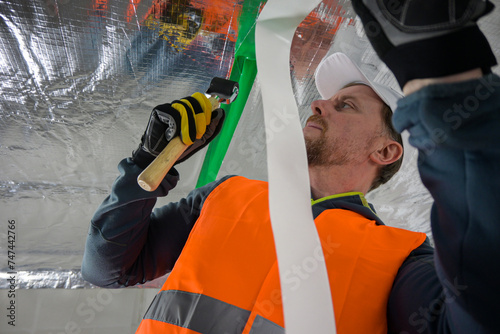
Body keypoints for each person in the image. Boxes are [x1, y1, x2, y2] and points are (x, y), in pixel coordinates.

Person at [82, 0, 500, 333]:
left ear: (386, 152)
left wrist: (446, 90)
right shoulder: (226, 196)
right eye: (327, 99)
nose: (317, 103)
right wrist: (148, 163)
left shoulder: (401, 259)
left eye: (346, 105)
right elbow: (106, 268)